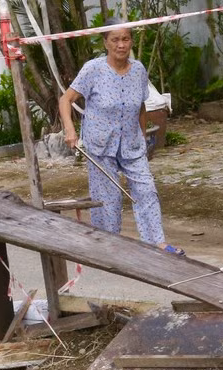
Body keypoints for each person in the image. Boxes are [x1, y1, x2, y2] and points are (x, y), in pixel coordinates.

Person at [58, 23, 183, 256]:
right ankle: (108, 245)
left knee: (146, 190)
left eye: (125, 39)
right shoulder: (93, 69)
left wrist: (143, 138)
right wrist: (70, 130)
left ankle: (156, 243)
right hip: (100, 145)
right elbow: (65, 100)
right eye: (115, 40)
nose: (121, 45)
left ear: (131, 41)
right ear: (105, 42)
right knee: (109, 197)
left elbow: (141, 106)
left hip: (132, 144)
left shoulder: (138, 70)